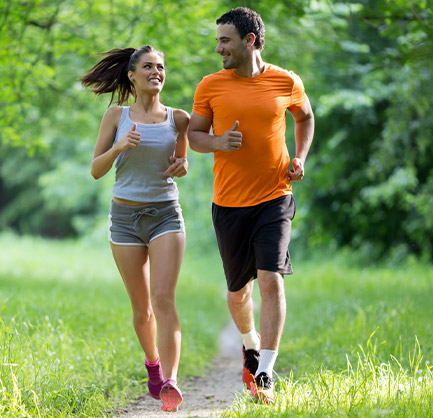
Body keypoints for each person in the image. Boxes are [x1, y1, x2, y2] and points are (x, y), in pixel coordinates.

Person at [188, 7, 315, 405]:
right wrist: (218, 142)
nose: (218, 48)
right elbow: (194, 136)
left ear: (250, 41)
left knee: (270, 278)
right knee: (238, 291)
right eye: (217, 41)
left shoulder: (285, 81)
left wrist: (300, 157)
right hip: (228, 202)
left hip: (275, 197)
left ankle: (265, 373)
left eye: (225, 40)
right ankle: (249, 343)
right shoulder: (210, 86)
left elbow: (305, 116)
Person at [81, 45, 190, 413]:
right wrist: (119, 146)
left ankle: (172, 380)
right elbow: (96, 169)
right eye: (148, 66)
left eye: (161, 66)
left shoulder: (179, 119)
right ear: (132, 75)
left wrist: (182, 166)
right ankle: (153, 364)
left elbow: (182, 160)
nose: (156, 72)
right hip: (125, 220)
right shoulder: (116, 116)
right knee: (142, 310)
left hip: (165, 215)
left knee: (163, 299)